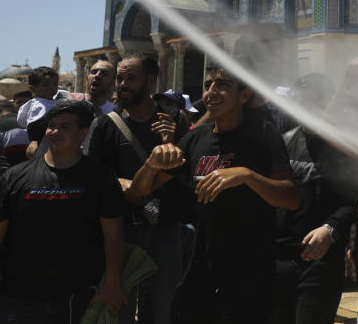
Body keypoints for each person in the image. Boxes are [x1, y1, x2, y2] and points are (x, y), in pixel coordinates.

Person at [127, 63, 299, 324]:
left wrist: (246, 176)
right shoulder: (196, 139)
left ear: (244, 95)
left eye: (223, 85)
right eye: (208, 86)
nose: (211, 92)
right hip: (201, 267)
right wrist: (153, 162)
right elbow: (138, 192)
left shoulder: (263, 133)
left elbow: (290, 197)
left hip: (250, 270)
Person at [0, 100, 127, 323]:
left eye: (65, 127)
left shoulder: (101, 178)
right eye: (51, 125)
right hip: (18, 298)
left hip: (78, 297)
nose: (55, 132)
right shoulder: (14, 177)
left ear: (83, 133)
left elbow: (113, 233)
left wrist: (112, 284)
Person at [84, 54, 192, 324]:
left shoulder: (175, 120)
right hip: (120, 232)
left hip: (165, 230)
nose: (122, 83)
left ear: (151, 80)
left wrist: (167, 146)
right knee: (118, 306)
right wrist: (119, 183)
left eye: (131, 78)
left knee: (162, 308)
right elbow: (94, 177)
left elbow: (183, 172)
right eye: (120, 77)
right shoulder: (106, 125)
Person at [273, 72, 358, 324]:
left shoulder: (342, 148)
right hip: (280, 258)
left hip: (320, 262)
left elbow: (354, 199)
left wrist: (330, 229)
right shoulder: (284, 141)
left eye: (312, 101)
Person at [15, 66, 59, 158]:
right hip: (44, 148)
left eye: (55, 84)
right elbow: (34, 130)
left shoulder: (54, 101)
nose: (52, 88)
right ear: (33, 89)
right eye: (46, 85)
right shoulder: (39, 105)